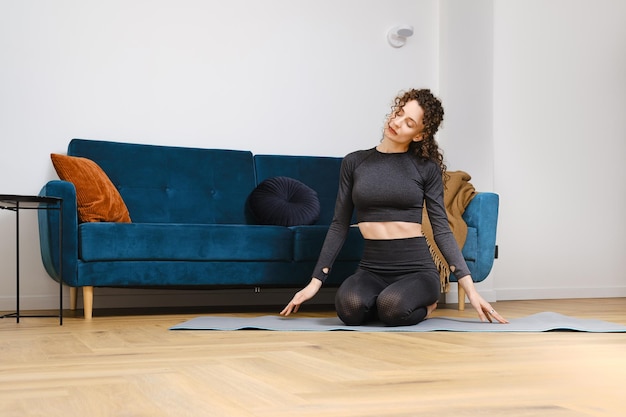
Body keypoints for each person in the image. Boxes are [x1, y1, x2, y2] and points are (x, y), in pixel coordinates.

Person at [280, 88, 508, 326]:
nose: (397, 122)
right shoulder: (355, 162)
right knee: (349, 310)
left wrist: (470, 289)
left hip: (416, 270)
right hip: (371, 268)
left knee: (392, 309)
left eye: (409, 122)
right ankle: (386, 301)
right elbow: (339, 224)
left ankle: (424, 304)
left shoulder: (425, 168)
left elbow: (441, 229)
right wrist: (315, 281)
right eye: (399, 113)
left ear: (419, 135)